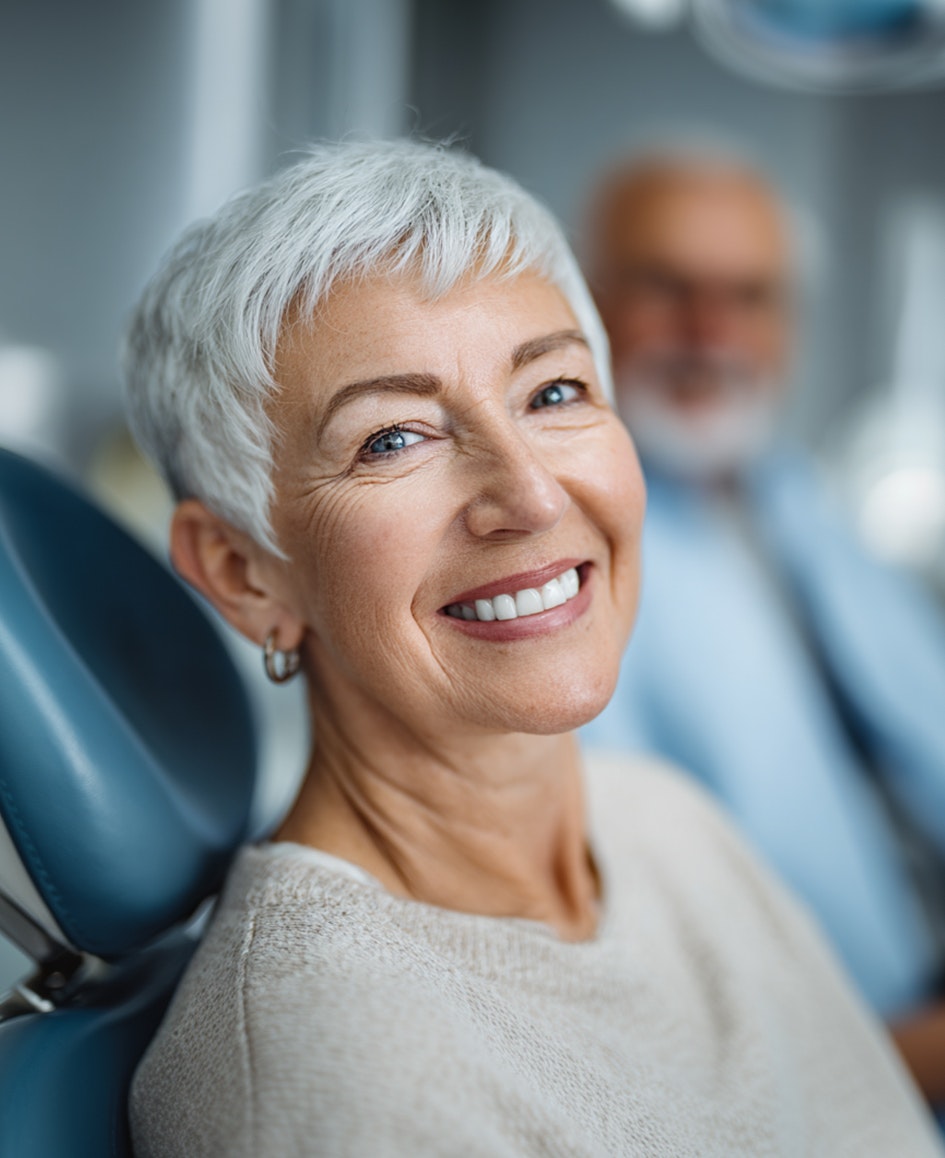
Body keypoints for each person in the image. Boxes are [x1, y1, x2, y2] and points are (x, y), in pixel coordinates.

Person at [125, 140, 940, 1156]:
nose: (533, 495)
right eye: (393, 439)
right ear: (247, 573)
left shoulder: (665, 825)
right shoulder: (347, 1083)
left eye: (553, 394)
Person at [581, 150, 945, 1104]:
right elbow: (642, 995)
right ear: (581, 301)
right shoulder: (566, 562)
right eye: (668, 287)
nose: (711, 333)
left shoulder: (790, 495)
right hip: (837, 1073)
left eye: (749, 296)